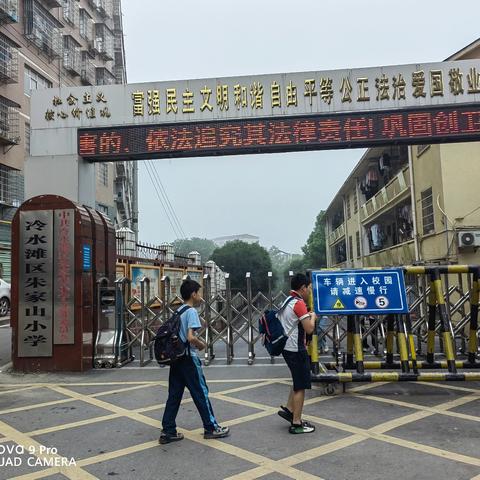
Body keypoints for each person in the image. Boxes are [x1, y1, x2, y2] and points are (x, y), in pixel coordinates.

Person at [160, 279, 230, 444]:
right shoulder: (190, 311)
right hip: (188, 360)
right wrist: (201, 345)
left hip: (176, 359)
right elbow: (191, 337)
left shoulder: (179, 311)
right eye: (199, 292)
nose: (201, 296)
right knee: (201, 393)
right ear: (193, 294)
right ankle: (211, 428)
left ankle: (168, 430)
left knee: (174, 395)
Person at [277, 273, 317, 434]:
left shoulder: (287, 301)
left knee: (297, 379)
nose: (310, 292)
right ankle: (297, 423)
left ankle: (289, 409)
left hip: (287, 348)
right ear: (302, 288)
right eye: (309, 288)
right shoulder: (299, 303)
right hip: (296, 349)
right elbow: (309, 328)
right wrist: (313, 316)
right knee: (301, 386)